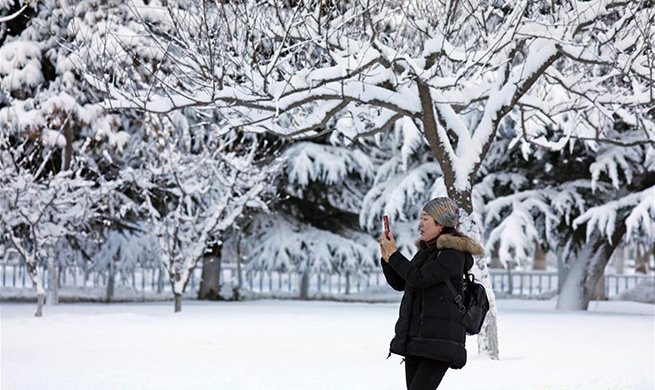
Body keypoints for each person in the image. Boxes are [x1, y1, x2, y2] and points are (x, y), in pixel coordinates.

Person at [379, 197, 484, 390]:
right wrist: (388, 260)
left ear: (441, 224)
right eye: (421, 218)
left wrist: (395, 255)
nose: (420, 224)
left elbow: (420, 279)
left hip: (439, 341)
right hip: (417, 339)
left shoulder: (452, 254)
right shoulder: (426, 253)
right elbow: (403, 282)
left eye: (426, 219)